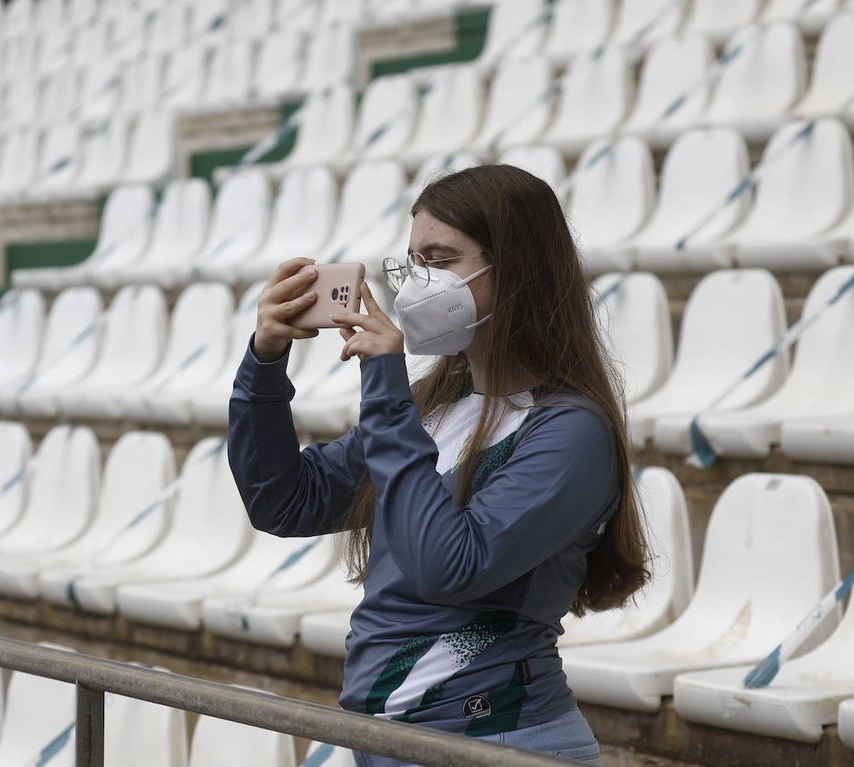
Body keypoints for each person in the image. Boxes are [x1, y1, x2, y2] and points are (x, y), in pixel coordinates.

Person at [227, 164, 649, 766]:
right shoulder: (432, 408)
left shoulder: (572, 431)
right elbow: (284, 501)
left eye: (440, 260)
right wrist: (266, 361)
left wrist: (385, 384)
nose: (417, 283)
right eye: (413, 263)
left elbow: (449, 567)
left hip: (499, 738)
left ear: (516, 269)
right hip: (386, 739)